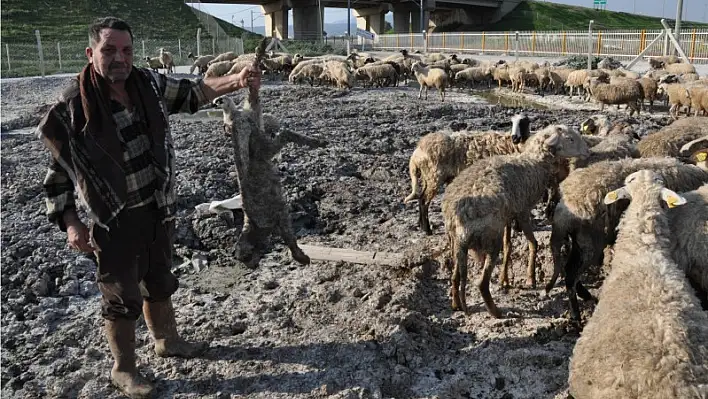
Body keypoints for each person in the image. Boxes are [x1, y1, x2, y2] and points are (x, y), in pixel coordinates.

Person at [36, 16, 260, 398]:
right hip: (114, 218)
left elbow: (195, 93)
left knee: (158, 280)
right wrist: (72, 224)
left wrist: (236, 81)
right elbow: (57, 177)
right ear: (91, 54)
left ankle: (166, 340)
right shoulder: (71, 109)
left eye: (126, 50)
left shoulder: (148, 85)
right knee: (121, 296)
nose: (119, 58)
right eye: (109, 50)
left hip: (158, 206)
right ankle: (123, 369)